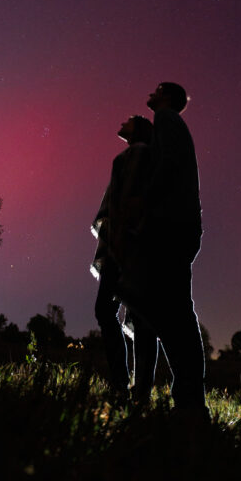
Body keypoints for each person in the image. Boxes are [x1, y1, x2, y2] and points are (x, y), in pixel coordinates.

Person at [118, 82, 209, 421]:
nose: (150, 92)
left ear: (167, 97)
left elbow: (168, 164)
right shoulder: (168, 123)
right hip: (177, 225)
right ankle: (188, 400)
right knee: (173, 312)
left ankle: (190, 403)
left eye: (157, 89)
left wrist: (144, 200)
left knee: (177, 315)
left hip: (173, 226)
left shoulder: (167, 120)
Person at [91, 115, 158, 404]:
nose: (123, 120)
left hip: (127, 248)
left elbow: (129, 202)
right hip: (129, 247)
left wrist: (120, 240)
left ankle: (132, 386)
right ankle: (132, 385)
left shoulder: (137, 155)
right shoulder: (132, 157)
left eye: (130, 120)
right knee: (128, 315)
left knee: (132, 317)